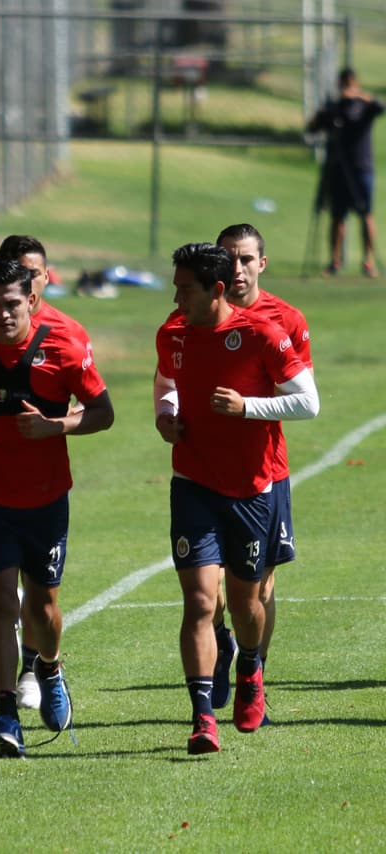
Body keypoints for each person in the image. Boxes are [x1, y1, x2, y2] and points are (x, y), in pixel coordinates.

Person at [154, 243, 318, 755]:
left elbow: (308, 402)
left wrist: (248, 406)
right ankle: (203, 717)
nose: (176, 296)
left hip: (252, 487)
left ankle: (249, 666)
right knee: (201, 601)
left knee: (248, 603)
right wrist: (166, 415)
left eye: (185, 288)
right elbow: (166, 382)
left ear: (216, 290)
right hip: (193, 483)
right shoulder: (173, 333)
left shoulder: (262, 334)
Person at [0, 260, 114, 758]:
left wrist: (56, 426)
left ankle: (51, 664)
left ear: (33, 301)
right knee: (1, 604)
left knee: (41, 610)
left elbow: (104, 413)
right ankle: (5, 717)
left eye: (12, 304)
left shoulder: (61, 349)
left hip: (44, 503)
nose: (1, 314)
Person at [206, 224, 315, 718]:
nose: (237, 268)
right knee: (212, 587)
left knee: (260, 583)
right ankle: (223, 645)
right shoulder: (193, 314)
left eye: (246, 258)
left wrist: (246, 407)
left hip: (264, 471)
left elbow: (303, 400)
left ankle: (255, 677)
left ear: (262, 264)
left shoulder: (286, 320)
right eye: (228, 258)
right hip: (204, 470)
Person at [0, 234, 99, 713]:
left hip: (42, 485)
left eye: (32, 272)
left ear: (45, 278)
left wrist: (57, 422)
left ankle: (35, 666)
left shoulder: (67, 335)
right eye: (15, 271)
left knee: (37, 597)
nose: (25, 281)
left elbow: (92, 406)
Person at [307, 67, 383, 277]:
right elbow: (312, 127)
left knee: (365, 214)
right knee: (337, 216)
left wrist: (359, 95)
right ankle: (335, 262)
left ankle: (368, 262)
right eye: (344, 83)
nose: (347, 87)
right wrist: (326, 108)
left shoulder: (363, 106)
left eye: (350, 83)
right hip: (338, 169)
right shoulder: (335, 107)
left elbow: (380, 107)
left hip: (361, 168)